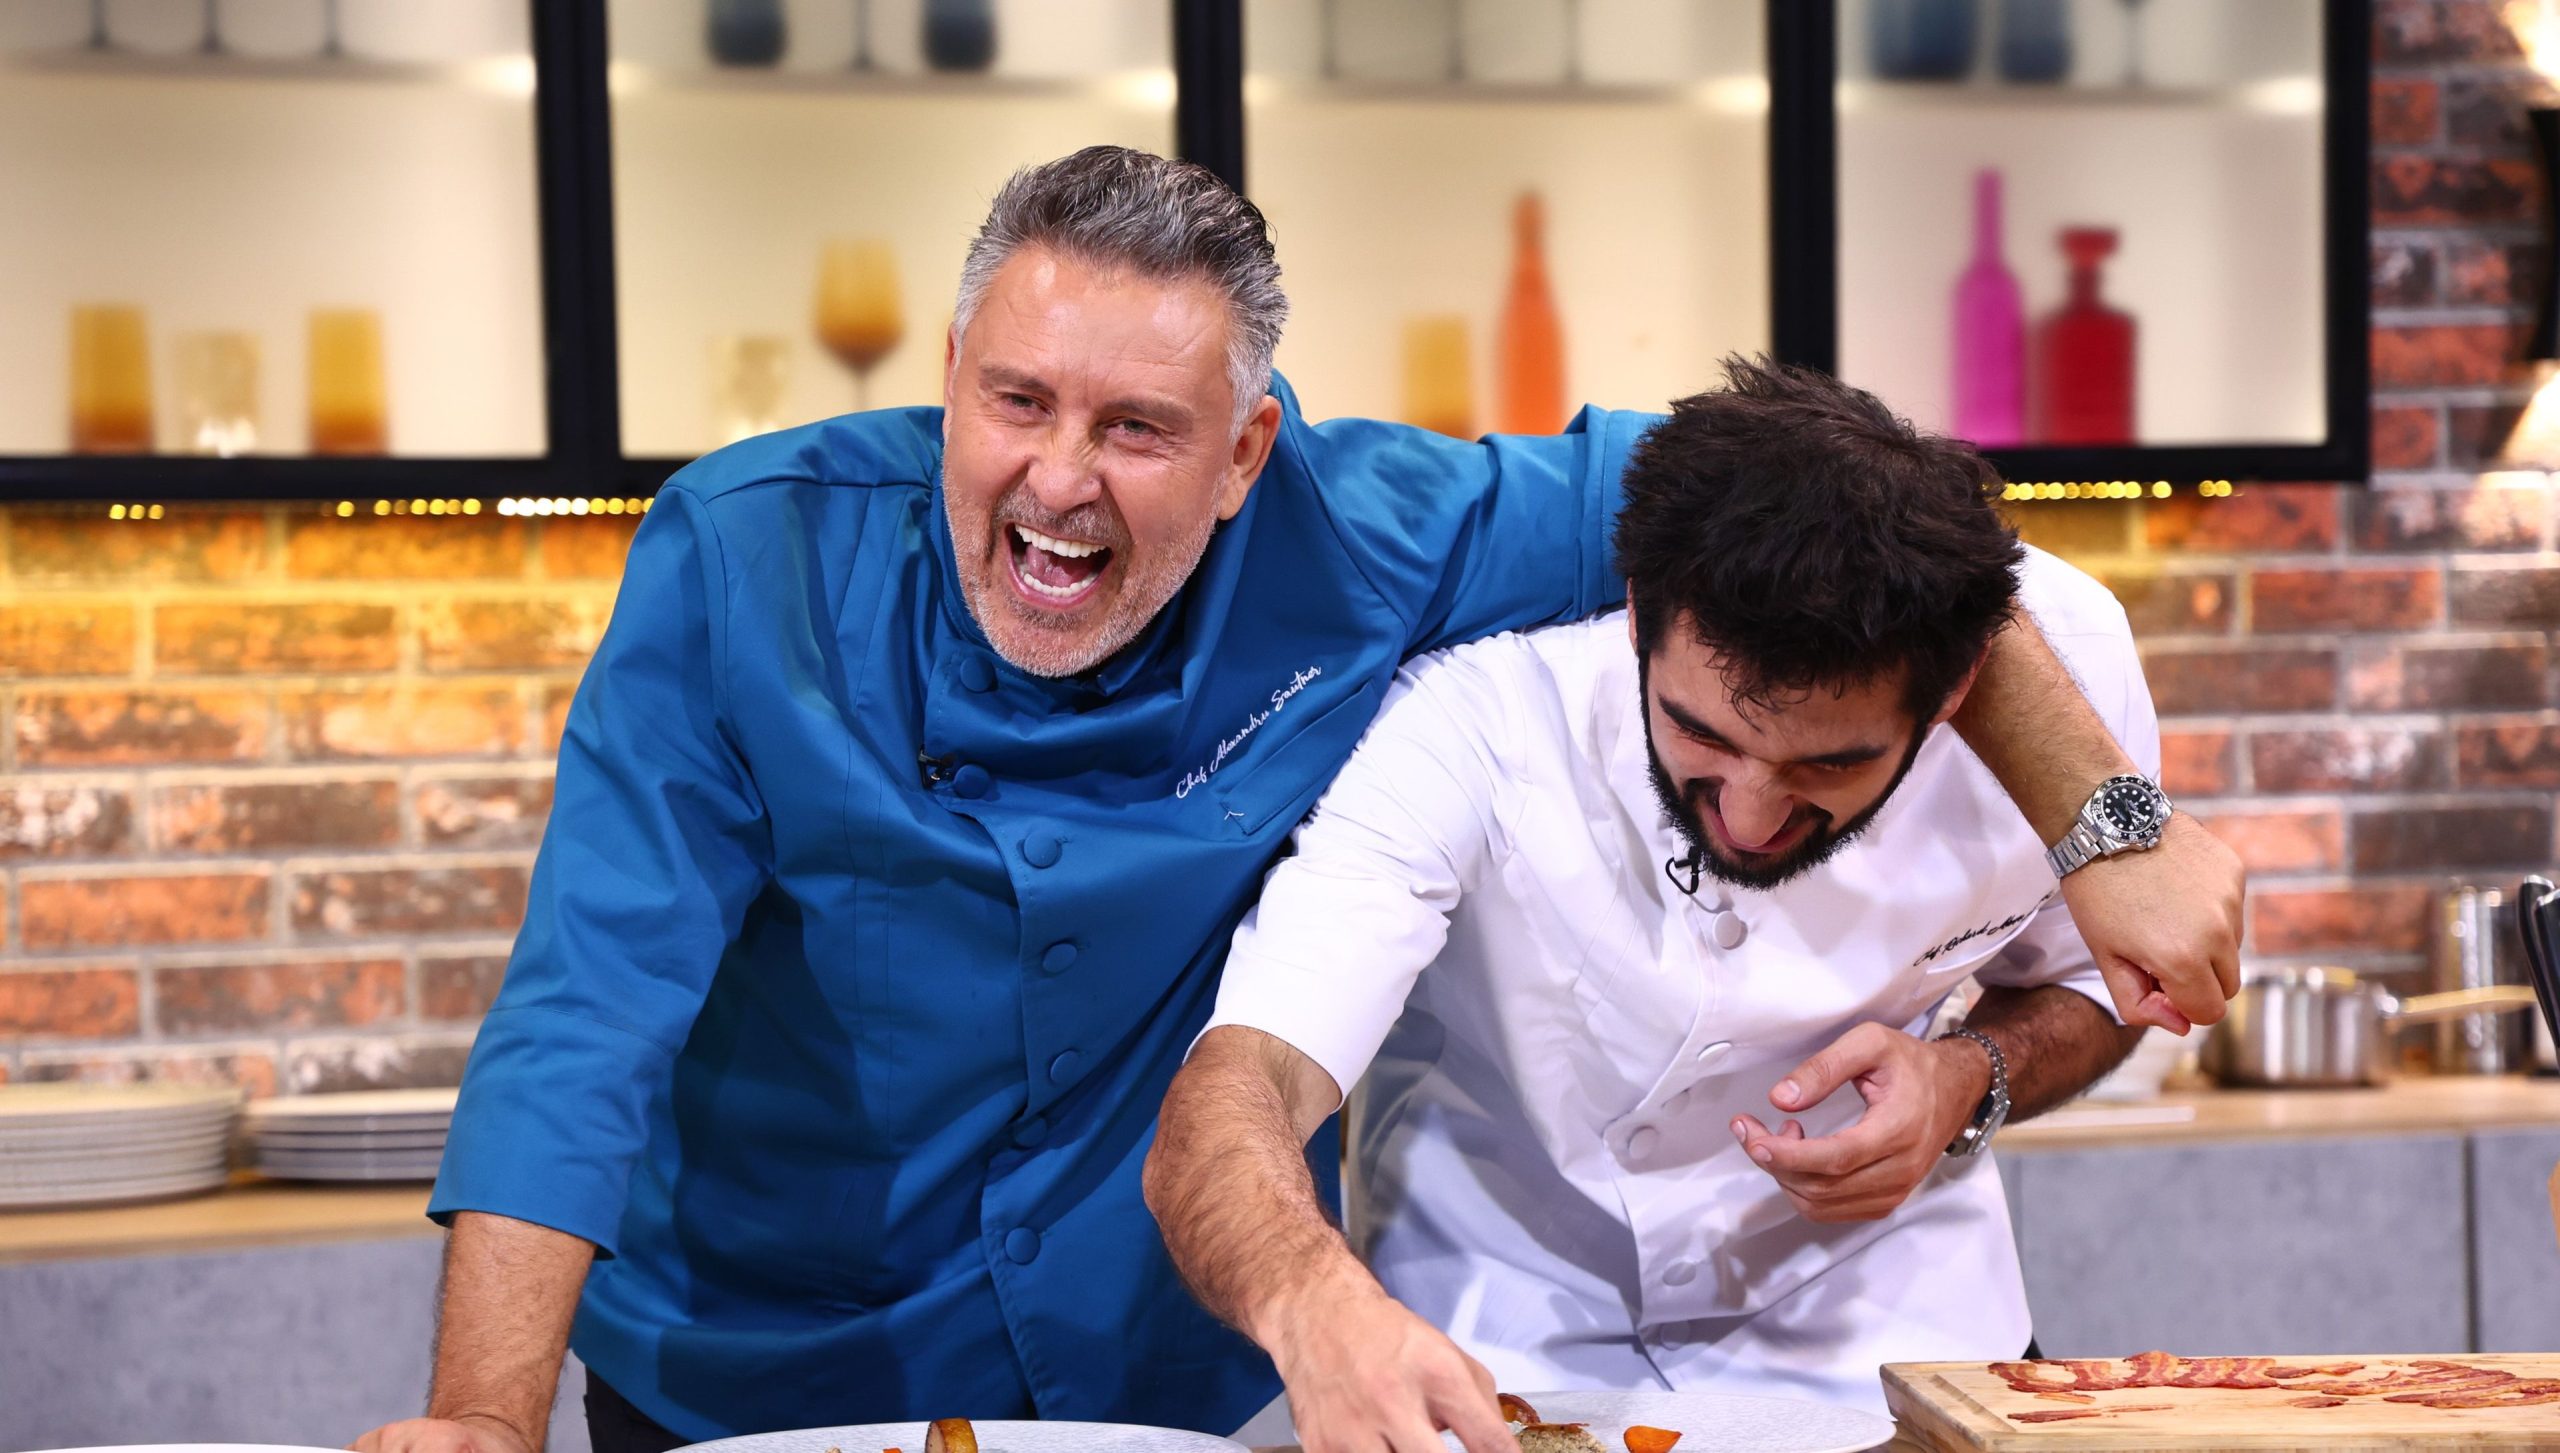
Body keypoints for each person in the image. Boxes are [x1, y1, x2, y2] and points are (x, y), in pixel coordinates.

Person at [353, 149, 2238, 1453]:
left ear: (1252, 446)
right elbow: (588, 1013)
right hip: (756, 1370)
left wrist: (2109, 828)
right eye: (1015, 401)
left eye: (1137, 428)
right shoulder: (739, 558)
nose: (1058, 481)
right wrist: (483, 1418)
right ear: (949, 379)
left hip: (1144, 1387)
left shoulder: (1381, 534)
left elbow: (1870, 519)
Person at [1147, 359, 2167, 1445]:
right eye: (1699, 733)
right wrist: (1310, 1301)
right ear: (1640, 616)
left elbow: (2096, 979)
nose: (1751, 816)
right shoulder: (1472, 725)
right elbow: (1240, 1088)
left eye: (1829, 765)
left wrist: (1969, 1077)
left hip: (1904, 1346)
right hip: (1504, 1359)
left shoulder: (2074, 679)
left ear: (1957, 690)